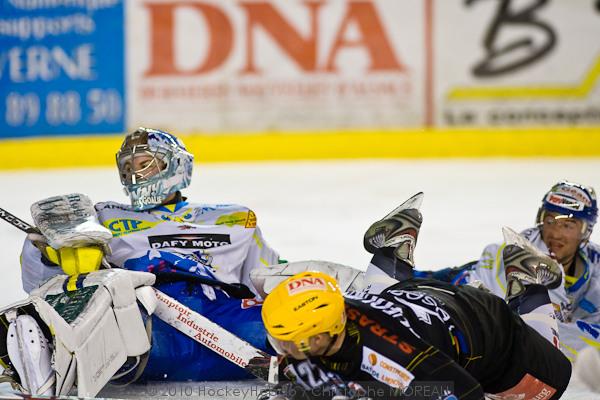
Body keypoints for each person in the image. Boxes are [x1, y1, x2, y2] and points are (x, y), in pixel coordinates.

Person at [15, 127, 280, 383]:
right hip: (147, 330)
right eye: (127, 168)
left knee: (298, 309)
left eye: (144, 164)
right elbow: (41, 286)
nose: (134, 175)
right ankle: (46, 370)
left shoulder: (234, 219)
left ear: (176, 165)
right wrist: (48, 256)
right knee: (49, 318)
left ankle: (316, 369)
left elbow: (271, 280)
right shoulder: (102, 217)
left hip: (226, 319)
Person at [260, 194, 571, 400]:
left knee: (552, 386)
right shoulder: (338, 318)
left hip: (488, 330)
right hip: (419, 303)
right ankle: (392, 250)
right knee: (377, 302)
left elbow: (466, 394)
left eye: (290, 344)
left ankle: (531, 286)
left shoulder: (399, 363)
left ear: (322, 335)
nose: (283, 350)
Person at [419, 181, 600, 362]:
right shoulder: (516, 256)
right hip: (458, 284)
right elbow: (526, 331)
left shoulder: (594, 262)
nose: (555, 233)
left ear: (586, 231)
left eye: (568, 225)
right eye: (550, 220)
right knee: (414, 284)